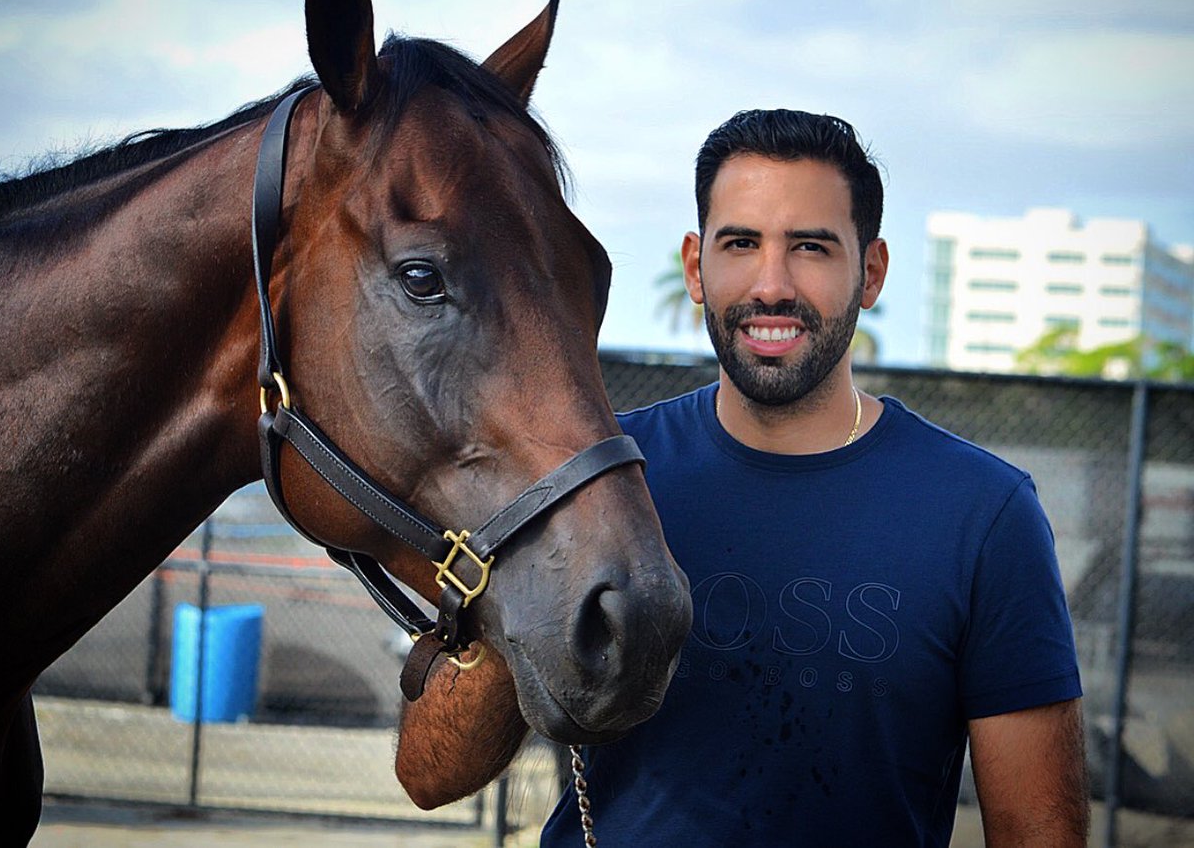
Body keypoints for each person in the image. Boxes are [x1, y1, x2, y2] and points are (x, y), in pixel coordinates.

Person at [397, 109, 1088, 846]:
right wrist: (536, 566)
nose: (770, 285)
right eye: (741, 244)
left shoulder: (984, 514)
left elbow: (1039, 833)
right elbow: (430, 772)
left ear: (872, 272)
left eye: (812, 248)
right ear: (697, 268)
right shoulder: (591, 475)